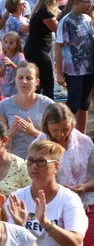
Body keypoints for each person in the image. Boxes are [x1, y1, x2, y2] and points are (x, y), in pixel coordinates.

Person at [7, 140, 88, 245]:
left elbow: (75, 241)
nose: (34, 166)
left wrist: (45, 222)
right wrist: (18, 225)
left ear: (56, 167)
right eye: (30, 160)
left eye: (41, 161)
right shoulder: (17, 197)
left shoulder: (69, 198)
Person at [34, 102, 94, 239]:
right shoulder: (38, 146)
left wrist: (84, 187)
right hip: (51, 208)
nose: (61, 134)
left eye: (65, 129)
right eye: (55, 130)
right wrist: (56, 187)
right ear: (46, 126)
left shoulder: (85, 142)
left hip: (85, 205)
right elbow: (32, 178)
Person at [54, 0, 94, 133]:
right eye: (87, 2)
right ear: (76, 2)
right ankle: (68, 134)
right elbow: (58, 47)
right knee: (73, 104)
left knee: (85, 104)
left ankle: (82, 135)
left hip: (89, 68)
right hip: (74, 70)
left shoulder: (88, 19)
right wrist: (59, 72)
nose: (89, 4)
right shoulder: (66, 21)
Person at [0, 61, 55, 160]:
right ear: (15, 80)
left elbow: (56, 139)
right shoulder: (4, 105)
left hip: (42, 159)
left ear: (37, 82)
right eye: (20, 78)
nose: (24, 81)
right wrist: (11, 132)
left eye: (29, 78)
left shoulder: (47, 104)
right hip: (14, 161)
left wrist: (34, 132)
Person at [24, 0, 61, 99]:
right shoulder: (45, 13)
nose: (60, 0)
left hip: (35, 49)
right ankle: (48, 109)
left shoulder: (40, 11)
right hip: (38, 51)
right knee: (48, 82)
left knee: (39, 82)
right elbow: (58, 30)